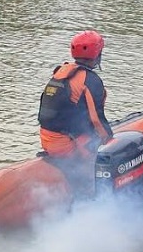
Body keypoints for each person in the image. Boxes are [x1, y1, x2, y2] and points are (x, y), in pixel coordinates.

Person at [38, 30, 113, 159]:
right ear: (97, 53)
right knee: (110, 151)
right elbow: (96, 119)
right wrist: (109, 140)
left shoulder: (61, 71)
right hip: (66, 144)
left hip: (45, 139)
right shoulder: (90, 80)